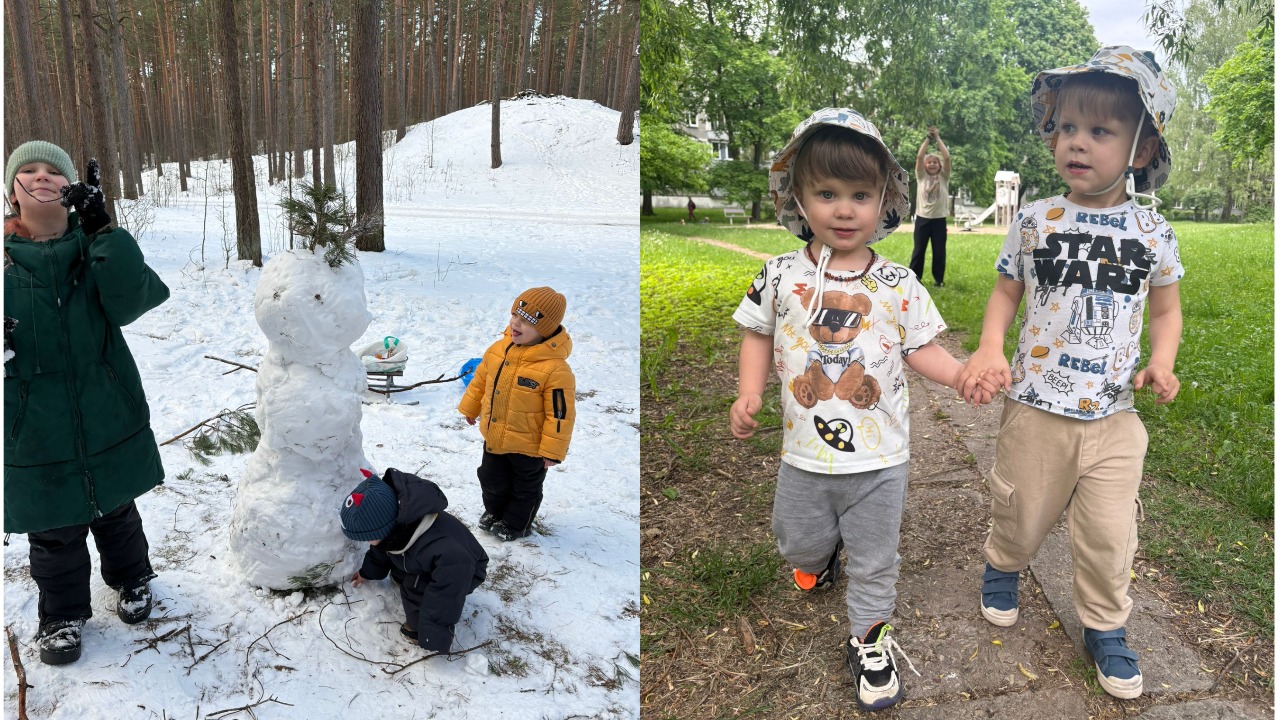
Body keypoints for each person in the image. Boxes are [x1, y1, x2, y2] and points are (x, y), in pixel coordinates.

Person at [729, 109, 997, 711]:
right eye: (826, 194)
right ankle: (818, 556)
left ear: (886, 200)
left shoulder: (899, 284)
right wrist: (748, 392)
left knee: (876, 559)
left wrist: (959, 376)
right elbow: (756, 335)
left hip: (881, 460)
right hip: (803, 454)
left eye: (860, 195)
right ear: (797, 197)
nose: (844, 210)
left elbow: (922, 347)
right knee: (796, 544)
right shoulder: (778, 276)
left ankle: (870, 638)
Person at [957, 46, 1182, 700]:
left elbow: (1166, 311)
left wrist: (1161, 361)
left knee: (1111, 534)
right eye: (1065, 128)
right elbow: (1005, 292)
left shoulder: (1152, 232)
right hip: (1035, 408)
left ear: (1140, 150)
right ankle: (1004, 563)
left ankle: (1106, 624)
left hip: (1114, 416)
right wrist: (990, 347)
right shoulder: (1034, 221)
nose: (1075, 142)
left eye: (1099, 131)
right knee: (1021, 511)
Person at [3, 140, 170, 665]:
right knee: (53, 529)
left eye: (53, 171)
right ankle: (61, 615)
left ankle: (133, 579)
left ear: (72, 189)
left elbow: (134, 299)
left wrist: (102, 227)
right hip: (35, 425)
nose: (41, 177)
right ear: (13, 192)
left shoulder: (94, 247)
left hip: (105, 409)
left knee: (116, 508)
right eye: (26, 170)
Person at [458, 287, 575, 541]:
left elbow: (560, 413)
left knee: (525, 490)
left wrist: (552, 451)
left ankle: (516, 523)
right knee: (490, 479)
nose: (515, 323)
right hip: (495, 436)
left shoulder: (555, 369)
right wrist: (470, 407)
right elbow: (480, 380)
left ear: (543, 330)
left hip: (530, 447)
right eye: (514, 315)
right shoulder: (498, 350)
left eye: (525, 321)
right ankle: (495, 511)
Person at [342, 468, 489, 653]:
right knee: (397, 556)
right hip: (430, 560)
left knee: (415, 587)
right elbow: (382, 550)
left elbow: (445, 594)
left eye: (367, 537)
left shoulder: (446, 553)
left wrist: (431, 634)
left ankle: (418, 627)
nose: (367, 542)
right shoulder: (397, 527)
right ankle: (405, 574)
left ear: (385, 529)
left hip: (465, 572)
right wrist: (367, 572)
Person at [909, 126, 951, 287]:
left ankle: (938, 280)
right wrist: (928, 138)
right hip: (922, 219)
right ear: (925, 166)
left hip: (939, 220)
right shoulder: (921, 176)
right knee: (918, 251)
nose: (932, 164)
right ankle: (914, 279)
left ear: (939, 166)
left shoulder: (944, 176)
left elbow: (947, 158)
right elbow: (920, 156)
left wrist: (938, 138)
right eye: (929, 162)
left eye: (935, 162)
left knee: (939, 252)